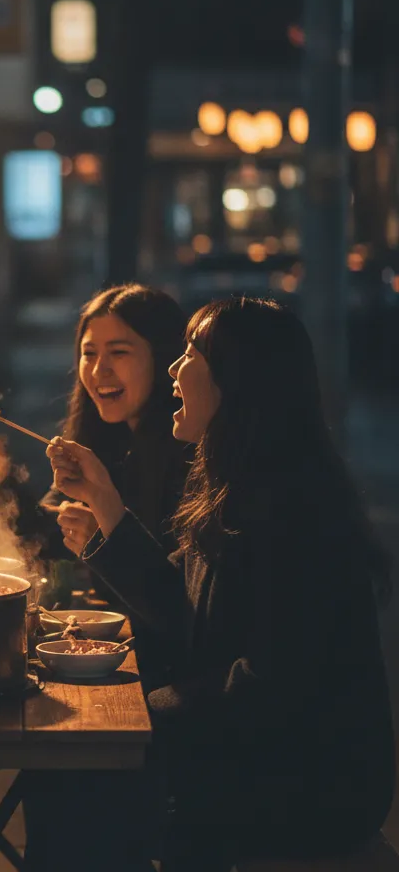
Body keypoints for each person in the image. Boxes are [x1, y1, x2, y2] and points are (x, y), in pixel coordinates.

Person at [27, 297, 394, 871]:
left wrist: (142, 716)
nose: (176, 367)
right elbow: (179, 602)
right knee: (63, 774)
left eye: (192, 353)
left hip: (307, 780)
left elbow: (269, 685)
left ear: (237, 379)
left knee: (82, 782)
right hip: (250, 752)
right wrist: (102, 499)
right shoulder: (235, 484)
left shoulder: (293, 511)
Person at [0, 284, 189, 560]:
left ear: (165, 359)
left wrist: (112, 536)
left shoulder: (191, 458)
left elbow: (184, 590)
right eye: (89, 353)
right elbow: (43, 543)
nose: (99, 370)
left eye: (119, 352)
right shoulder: (103, 441)